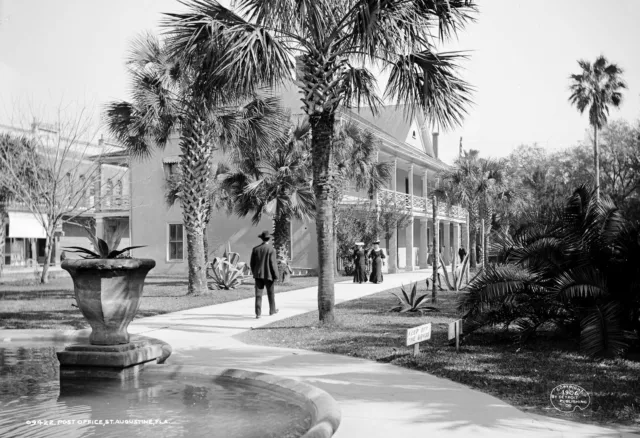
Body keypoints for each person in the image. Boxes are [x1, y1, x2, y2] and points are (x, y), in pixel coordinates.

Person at [250, 230, 279, 319]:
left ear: (262, 239)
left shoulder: (255, 249)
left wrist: (254, 272)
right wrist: (276, 275)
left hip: (258, 275)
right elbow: (273, 264)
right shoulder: (272, 250)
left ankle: (258, 313)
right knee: (271, 294)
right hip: (269, 275)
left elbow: (252, 263)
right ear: (269, 239)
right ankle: (272, 310)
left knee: (258, 295)